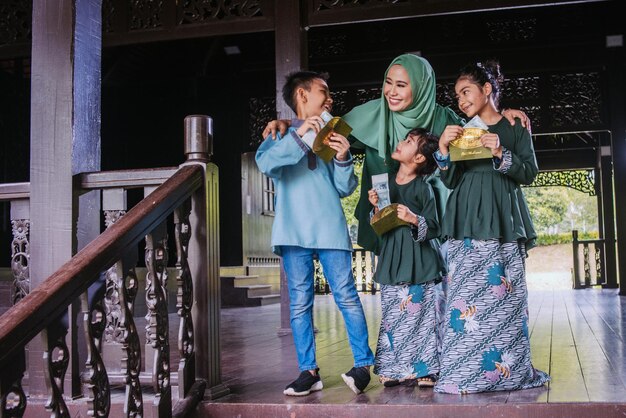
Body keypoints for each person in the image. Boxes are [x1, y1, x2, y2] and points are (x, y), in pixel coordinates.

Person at [262, 54, 531, 256]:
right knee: (396, 287)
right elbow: (321, 131)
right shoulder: (367, 115)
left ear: (420, 87)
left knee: (435, 290)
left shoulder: (443, 118)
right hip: (386, 214)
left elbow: (477, 129)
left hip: (430, 218)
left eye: (401, 85)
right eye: (389, 83)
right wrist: (287, 124)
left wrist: (503, 113)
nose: (391, 91)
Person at [433, 60, 550, 394]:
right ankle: (462, 372)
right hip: (466, 213)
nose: (460, 100)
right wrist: (443, 149)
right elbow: (452, 178)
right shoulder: (461, 129)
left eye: (465, 91)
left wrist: (500, 151)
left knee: (506, 294)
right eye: (456, 95)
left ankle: (509, 373)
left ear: (486, 90)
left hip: (503, 213)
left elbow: (529, 173)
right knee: (464, 296)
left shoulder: (515, 125)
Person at [255, 70, 375, 396]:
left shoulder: (332, 133)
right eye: (324, 90)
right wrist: (299, 133)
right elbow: (266, 165)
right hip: (293, 232)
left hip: (330, 229)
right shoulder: (278, 135)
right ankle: (308, 372)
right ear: (303, 95)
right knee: (299, 304)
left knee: (347, 297)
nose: (330, 97)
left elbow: (345, 187)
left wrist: (342, 156)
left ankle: (363, 366)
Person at [367, 128, 443, 388]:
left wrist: (413, 218)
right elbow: (377, 224)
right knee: (392, 316)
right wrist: (376, 209)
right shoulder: (383, 183)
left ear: (420, 158)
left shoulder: (424, 188)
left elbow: (434, 226)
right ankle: (393, 368)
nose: (401, 143)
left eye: (409, 142)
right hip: (391, 257)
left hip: (419, 258)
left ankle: (426, 369)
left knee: (422, 317)